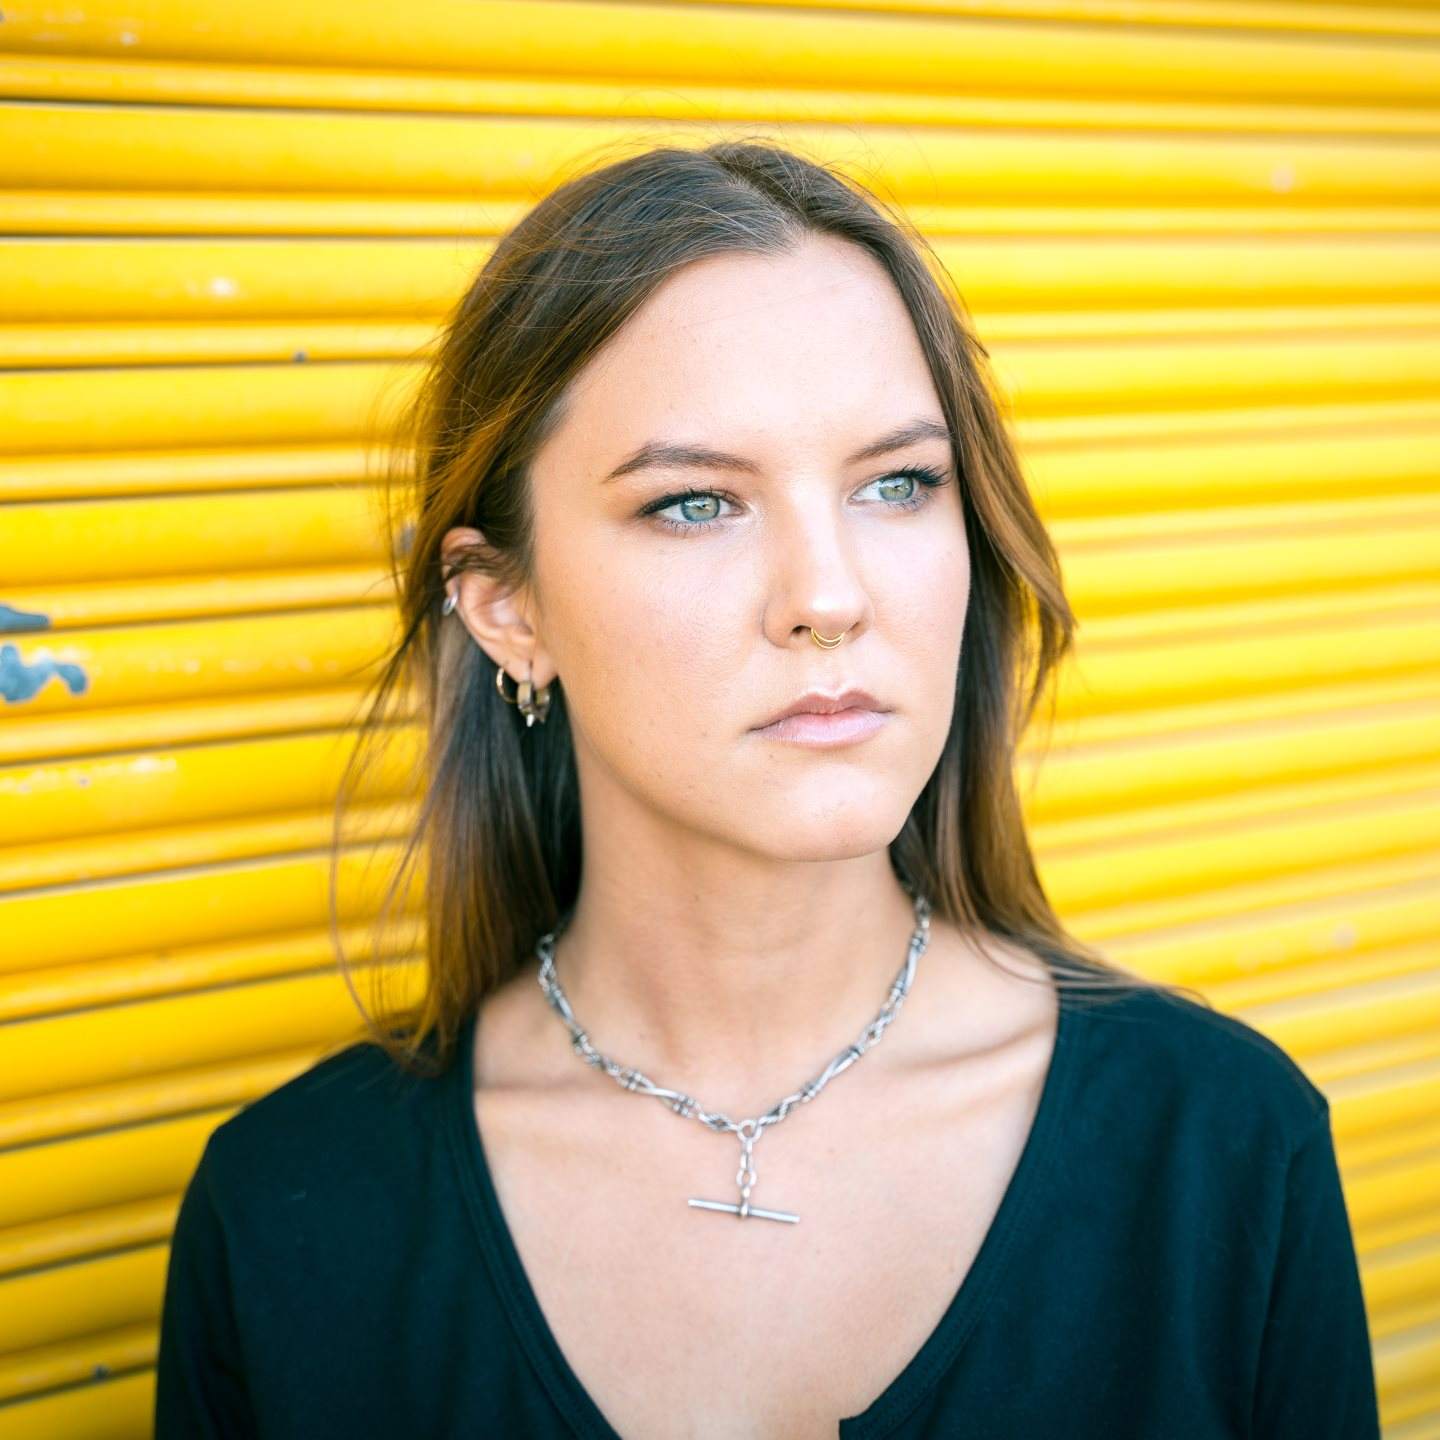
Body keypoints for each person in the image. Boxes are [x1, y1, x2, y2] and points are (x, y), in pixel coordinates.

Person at [154, 140, 1380, 1439]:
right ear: (508, 609)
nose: (829, 596)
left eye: (898, 484)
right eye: (696, 503)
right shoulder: (292, 1219)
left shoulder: (1223, 1154)